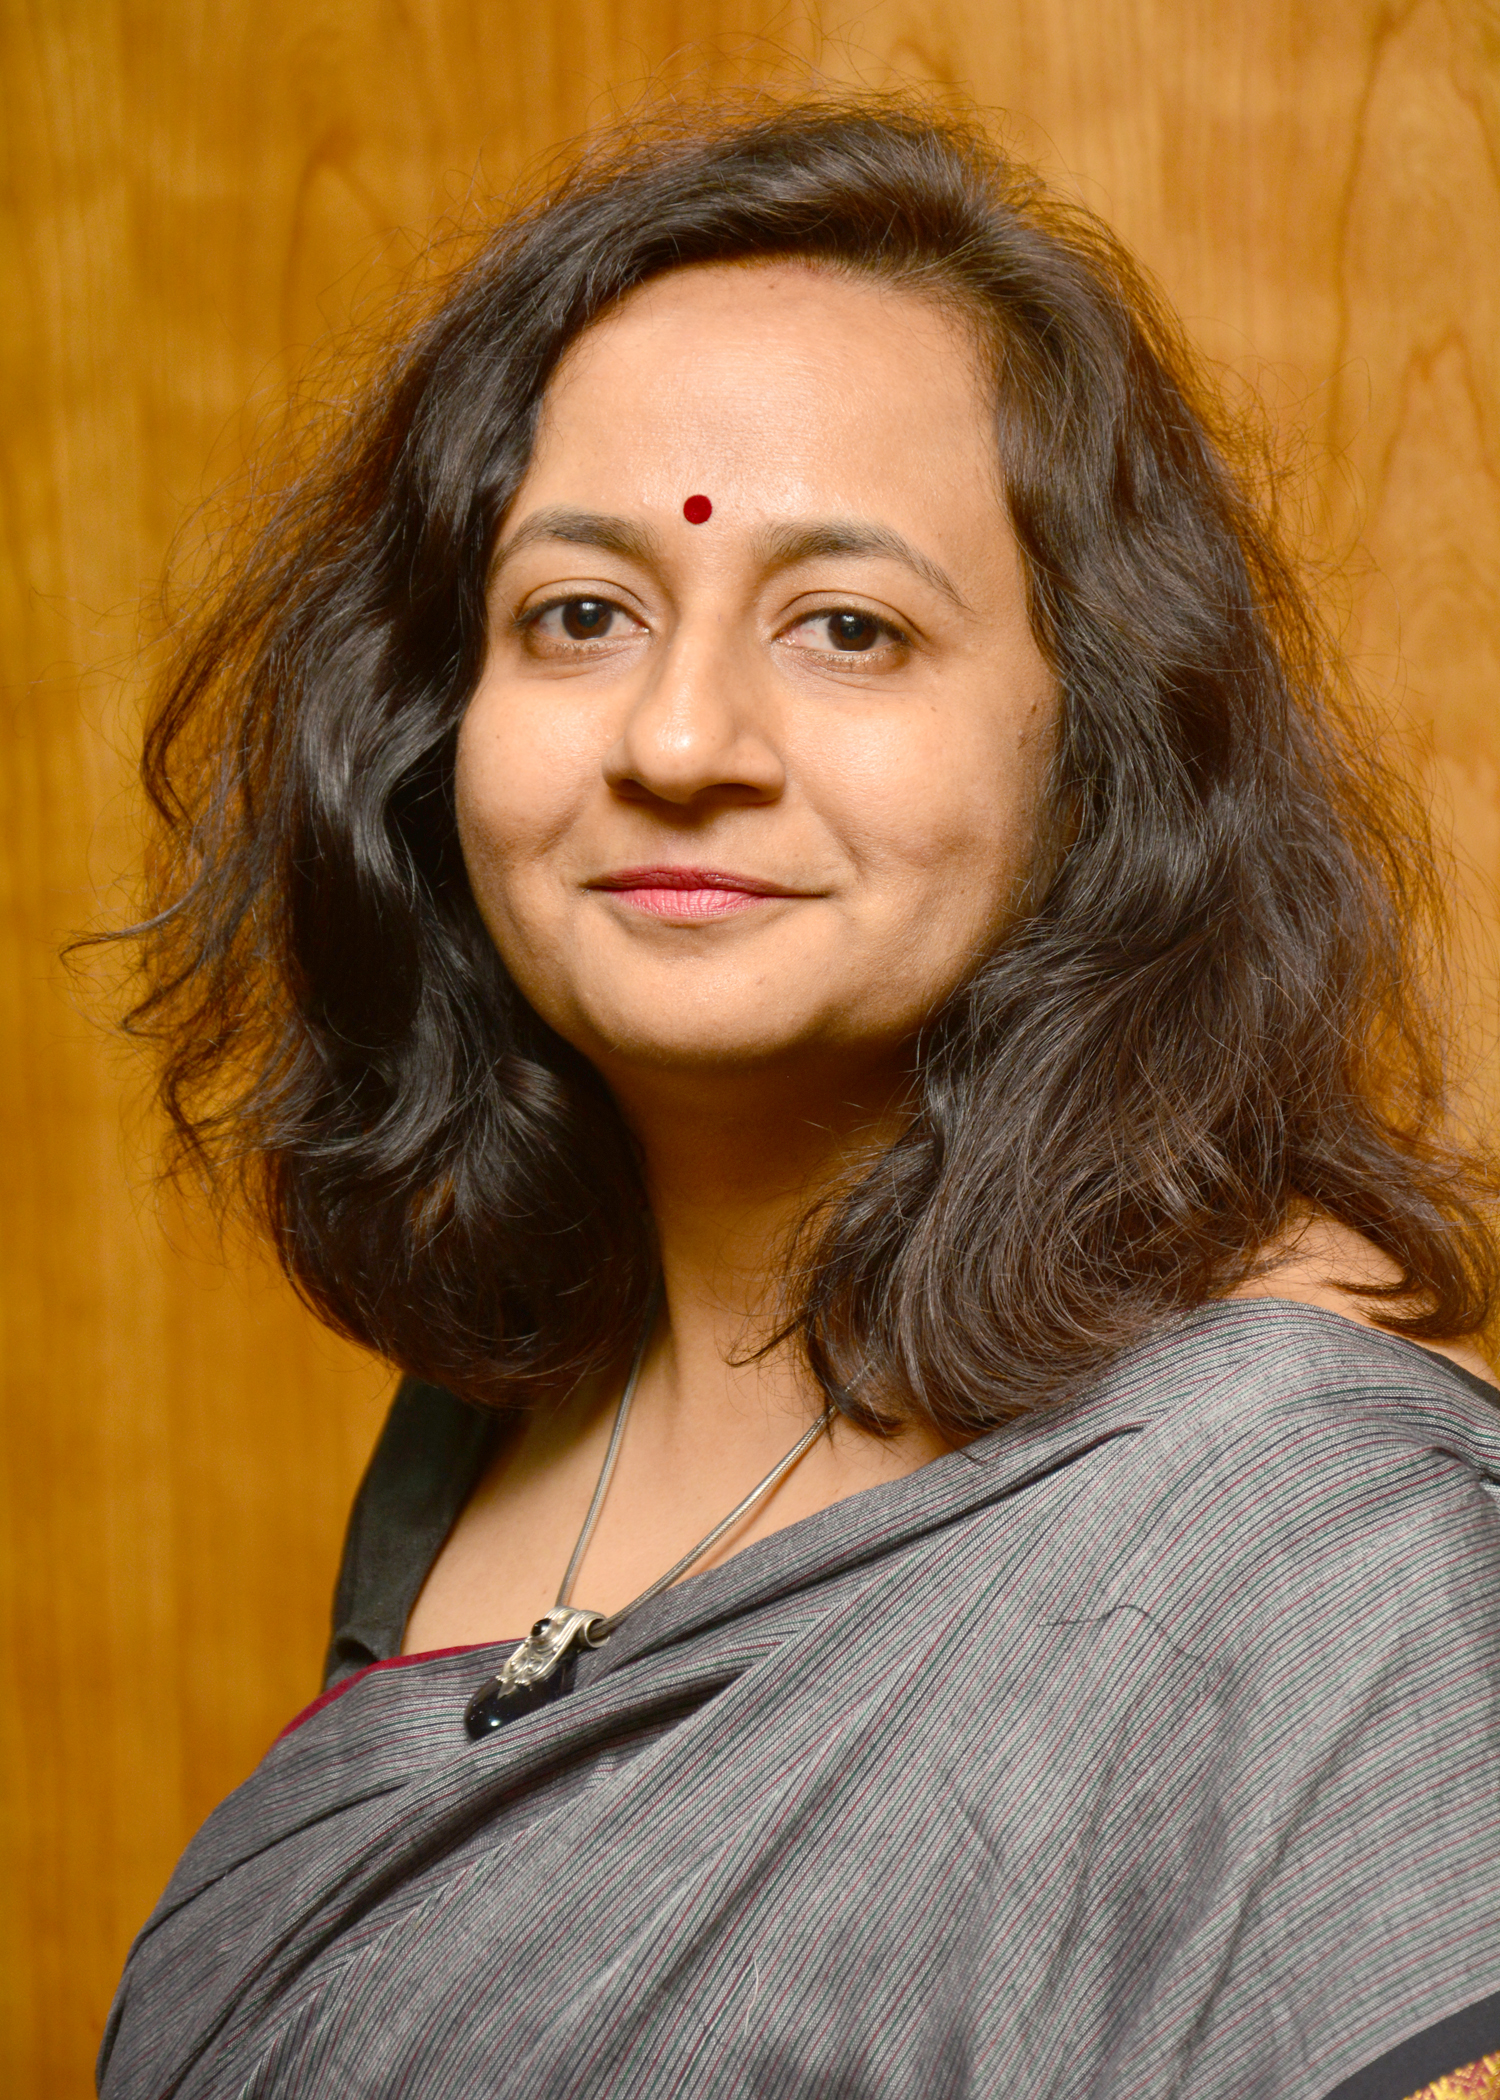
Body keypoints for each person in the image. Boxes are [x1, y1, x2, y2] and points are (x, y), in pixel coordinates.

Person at [99, 96, 1500, 2099]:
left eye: (850, 629)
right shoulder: (501, 1416)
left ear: (1093, 740)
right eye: (581, 615)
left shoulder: (1308, 1537)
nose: (681, 741)